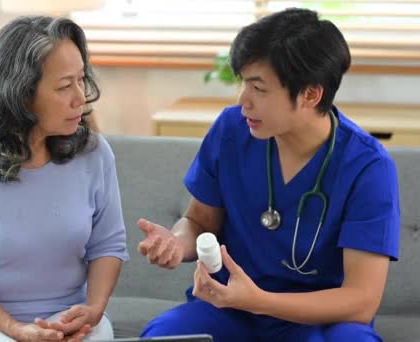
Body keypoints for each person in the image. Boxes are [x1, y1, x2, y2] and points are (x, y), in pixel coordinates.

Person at [137, 8, 399, 342]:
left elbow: (360, 301)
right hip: (232, 311)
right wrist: (176, 242)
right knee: (165, 335)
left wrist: (260, 301)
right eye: (244, 84)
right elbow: (199, 222)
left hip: (317, 320)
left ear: (310, 94)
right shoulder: (231, 131)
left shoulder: (367, 166)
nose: (243, 101)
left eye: (259, 89)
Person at [0, 16, 128, 342]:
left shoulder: (94, 153)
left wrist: (93, 308)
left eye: (81, 80)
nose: (80, 97)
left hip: (66, 315)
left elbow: (108, 245)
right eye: (65, 86)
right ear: (21, 95)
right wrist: (16, 329)